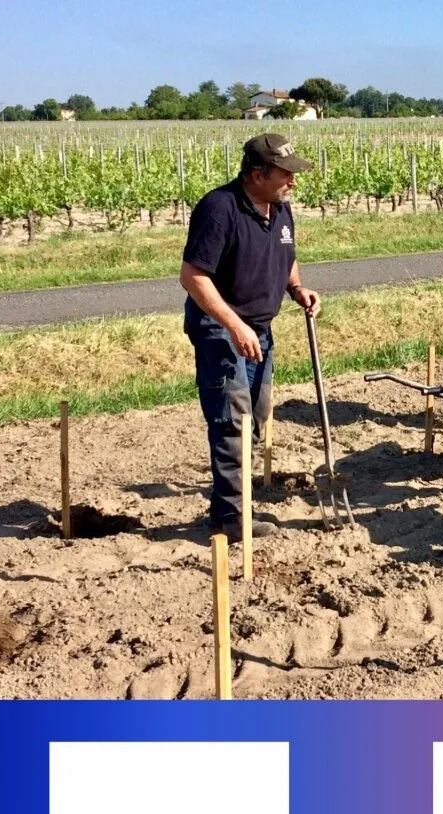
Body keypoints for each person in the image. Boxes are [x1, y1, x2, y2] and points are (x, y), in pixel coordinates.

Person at [180, 133, 320, 542]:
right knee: (232, 422)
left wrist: (297, 289)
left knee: (254, 421)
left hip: (259, 330)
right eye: (285, 174)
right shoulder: (218, 209)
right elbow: (193, 277)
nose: (293, 181)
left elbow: (286, 256)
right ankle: (232, 520)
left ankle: (226, 508)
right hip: (220, 329)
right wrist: (234, 325)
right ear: (256, 174)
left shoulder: (280, 209)